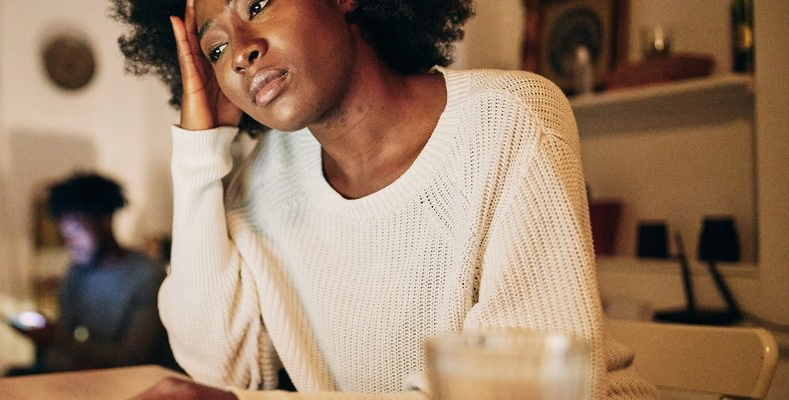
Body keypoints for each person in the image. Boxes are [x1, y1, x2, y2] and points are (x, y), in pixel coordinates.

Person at [108, 0, 658, 398]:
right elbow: (219, 370)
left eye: (258, 3)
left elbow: (522, 388)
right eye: (216, 48)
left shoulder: (509, 119)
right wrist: (200, 152)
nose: (241, 54)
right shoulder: (261, 185)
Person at [9, 173, 176, 373]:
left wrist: (56, 338)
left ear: (105, 221)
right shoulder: (76, 272)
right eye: (66, 236)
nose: (71, 245)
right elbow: (65, 335)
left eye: (76, 233)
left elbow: (133, 357)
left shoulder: (147, 276)